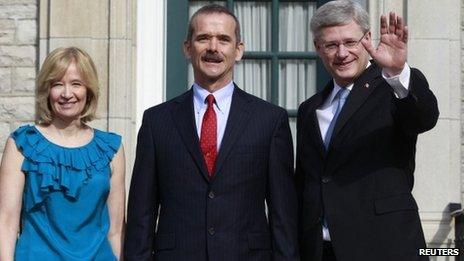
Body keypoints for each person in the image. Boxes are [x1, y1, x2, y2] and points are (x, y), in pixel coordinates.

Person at [124, 4, 298, 261]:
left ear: (238, 50)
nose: (213, 48)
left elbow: (284, 215)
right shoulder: (156, 121)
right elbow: (141, 213)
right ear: (187, 48)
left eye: (224, 40)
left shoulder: (270, 120)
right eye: (203, 38)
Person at [295, 1, 439, 261]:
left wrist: (396, 72)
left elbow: (424, 118)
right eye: (331, 45)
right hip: (320, 251)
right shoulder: (309, 109)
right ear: (318, 48)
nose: (342, 53)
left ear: (368, 39)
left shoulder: (392, 88)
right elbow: (306, 184)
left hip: (383, 247)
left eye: (350, 42)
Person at [0, 47, 126, 260]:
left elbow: (116, 230)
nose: (67, 94)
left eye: (76, 84)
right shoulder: (22, 144)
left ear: (89, 90)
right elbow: (7, 221)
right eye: (57, 84)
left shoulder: (111, 148)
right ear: (47, 91)